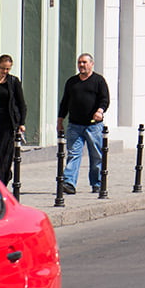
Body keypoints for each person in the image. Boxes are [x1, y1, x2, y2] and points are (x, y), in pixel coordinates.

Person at [57, 53, 110, 195]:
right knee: (73, 154)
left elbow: (105, 99)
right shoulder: (72, 82)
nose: (81, 65)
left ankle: (97, 183)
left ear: (91, 64)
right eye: (79, 62)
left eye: (84, 62)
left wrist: (100, 111)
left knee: (96, 155)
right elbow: (65, 102)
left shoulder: (98, 81)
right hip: (74, 125)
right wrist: (60, 120)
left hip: (93, 126)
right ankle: (69, 183)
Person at [0, 53, 27, 187]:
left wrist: (21, 123)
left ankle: (1, 183)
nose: (5, 71)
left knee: (5, 155)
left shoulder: (13, 81)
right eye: (3, 68)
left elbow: (21, 103)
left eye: (8, 69)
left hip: (8, 123)